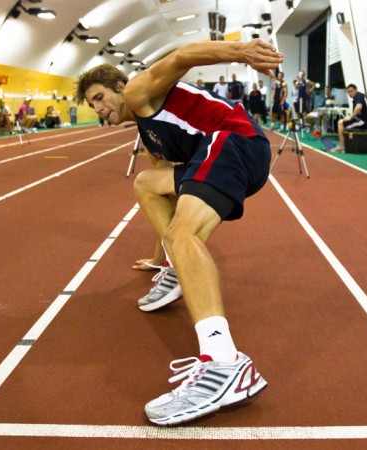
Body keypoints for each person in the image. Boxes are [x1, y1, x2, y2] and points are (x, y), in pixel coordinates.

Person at [74, 38, 283, 426]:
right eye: (92, 105)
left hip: (234, 141)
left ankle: (224, 363)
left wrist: (243, 53)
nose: (99, 108)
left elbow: (182, 56)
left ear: (120, 87)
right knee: (148, 183)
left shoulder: (139, 90)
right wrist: (159, 259)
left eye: (100, 97)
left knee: (184, 235)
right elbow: (165, 203)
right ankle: (173, 270)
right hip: (227, 150)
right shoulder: (149, 132)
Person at [337, 83, 367, 152]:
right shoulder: (356, 99)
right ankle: (344, 146)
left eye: (351, 91)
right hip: (362, 121)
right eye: (348, 92)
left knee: (341, 124)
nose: (349, 93)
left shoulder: (359, 95)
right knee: (341, 122)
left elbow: (359, 107)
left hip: (366, 122)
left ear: (356, 90)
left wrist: (351, 117)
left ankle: (342, 147)